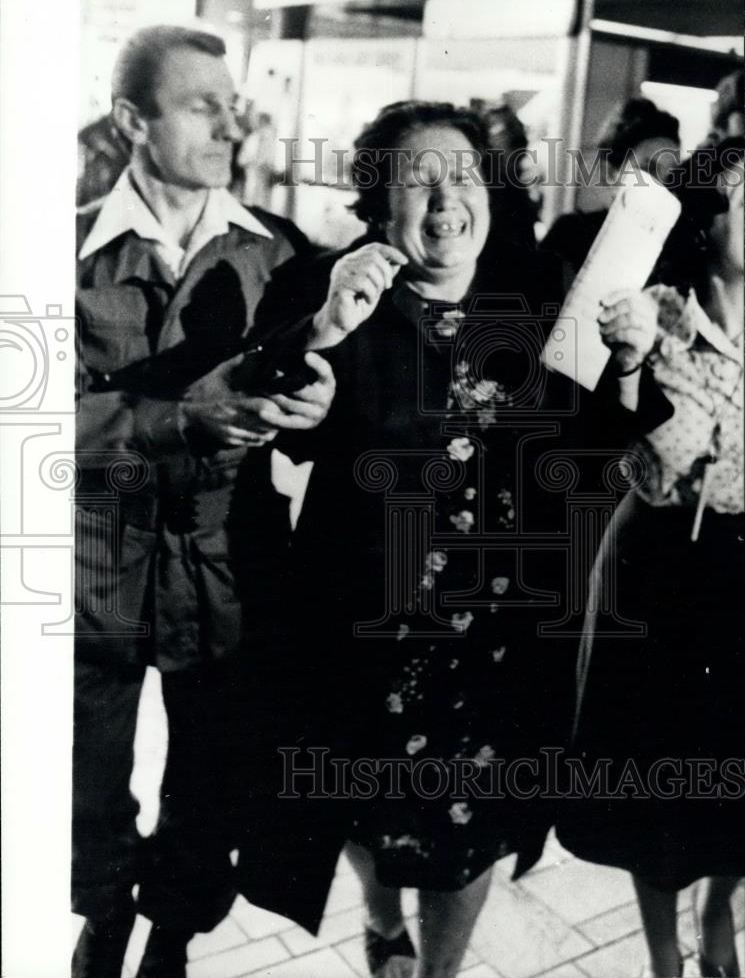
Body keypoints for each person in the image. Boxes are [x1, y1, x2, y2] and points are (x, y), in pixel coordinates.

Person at [236, 101, 674, 978]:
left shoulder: (536, 295)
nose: (446, 201)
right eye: (418, 181)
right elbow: (270, 405)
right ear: (376, 201)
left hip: (495, 643)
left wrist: (625, 364)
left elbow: (585, 457)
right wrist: (323, 329)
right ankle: (377, 905)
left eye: (463, 177)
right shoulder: (333, 290)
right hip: (361, 634)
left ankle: (434, 973)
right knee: (356, 809)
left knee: (469, 831)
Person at [73, 25, 335, 978]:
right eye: (201, 105)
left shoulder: (285, 254)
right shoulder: (59, 251)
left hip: (230, 570)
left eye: (232, 104)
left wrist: (315, 406)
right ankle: (101, 919)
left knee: (213, 783)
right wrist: (174, 419)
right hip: (93, 572)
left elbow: (311, 407)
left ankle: (173, 937)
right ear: (131, 120)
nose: (232, 122)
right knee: (81, 787)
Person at [557, 138, 745, 978]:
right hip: (662, 565)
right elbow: (603, 453)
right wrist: (628, 367)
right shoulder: (650, 309)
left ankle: (718, 919)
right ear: (704, 220)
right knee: (654, 773)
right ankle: (664, 952)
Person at [541, 97, 681, 280]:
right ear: (611, 173)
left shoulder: (673, 255)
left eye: (670, 178)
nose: (661, 186)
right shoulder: (570, 233)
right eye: (649, 170)